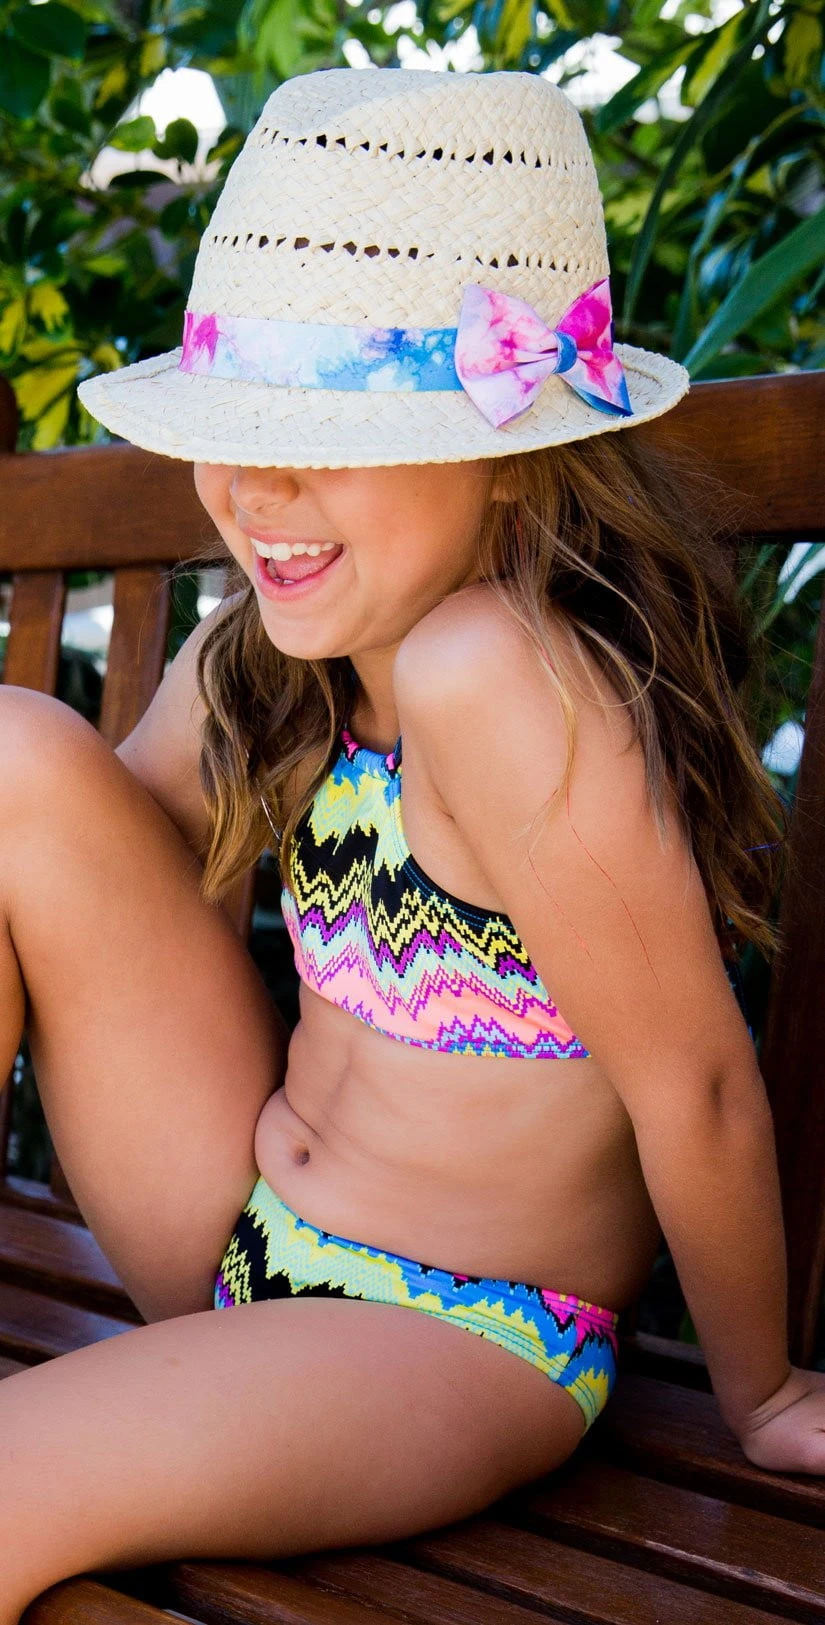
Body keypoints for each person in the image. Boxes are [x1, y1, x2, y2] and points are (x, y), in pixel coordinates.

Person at [1, 63, 821, 1621]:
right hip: (234, 1222)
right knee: (15, 757)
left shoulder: (499, 675)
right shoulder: (271, 655)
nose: (256, 489)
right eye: (237, 429)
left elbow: (700, 1082)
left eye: (332, 433)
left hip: (454, 1334)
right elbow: (89, 874)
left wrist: (764, 1391)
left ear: (502, 447)